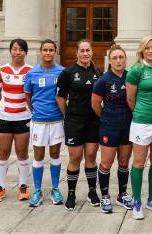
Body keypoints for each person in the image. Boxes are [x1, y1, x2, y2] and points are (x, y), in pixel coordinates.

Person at [126, 36, 152, 220]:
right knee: (138, 162)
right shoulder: (136, 70)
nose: (151, 51)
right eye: (148, 48)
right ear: (142, 50)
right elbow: (130, 98)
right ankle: (137, 201)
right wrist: (141, 112)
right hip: (141, 122)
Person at [56, 39, 102, 211]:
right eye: (82, 50)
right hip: (74, 121)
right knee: (75, 158)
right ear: (77, 53)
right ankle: (72, 194)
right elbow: (60, 97)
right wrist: (67, 115)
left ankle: (92, 192)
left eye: (87, 50)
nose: (85, 53)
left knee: (91, 156)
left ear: (91, 52)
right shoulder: (68, 72)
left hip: (93, 121)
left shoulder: (97, 71)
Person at [91, 44, 134, 213]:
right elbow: (95, 105)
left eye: (121, 57)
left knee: (124, 162)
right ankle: (105, 196)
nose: (118, 61)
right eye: (114, 58)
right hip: (109, 126)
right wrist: (107, 118)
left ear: (125, 59)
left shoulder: (131, 77)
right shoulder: (103, 80)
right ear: (109, 61)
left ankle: (122, 194)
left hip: (128, 126)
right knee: (107, 163)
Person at [0, 39, 33, 203]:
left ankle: (23, 185)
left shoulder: (31, 71)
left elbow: (33, 93)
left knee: (22, 153)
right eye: (14, 49)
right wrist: (5, 105)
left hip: (23, 117)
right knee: (2, 153)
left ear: (25, 52)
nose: (17, 52)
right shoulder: (1, 70)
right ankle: (0, 187)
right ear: (10, 51)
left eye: (21, 50)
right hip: (4, 117)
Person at [24, 39, 65, 207]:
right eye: (45, 50)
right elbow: (28, 96)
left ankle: (55, 188)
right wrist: (36, 111)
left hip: (56, 120)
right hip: (39, 121)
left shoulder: (62, 72)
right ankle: (37, 190)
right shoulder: (32, 73)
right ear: (41, 52)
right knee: (39, 155)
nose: (48, 53)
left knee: (55, 154)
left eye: (51, 50)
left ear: (55, 52)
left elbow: (64, 96)